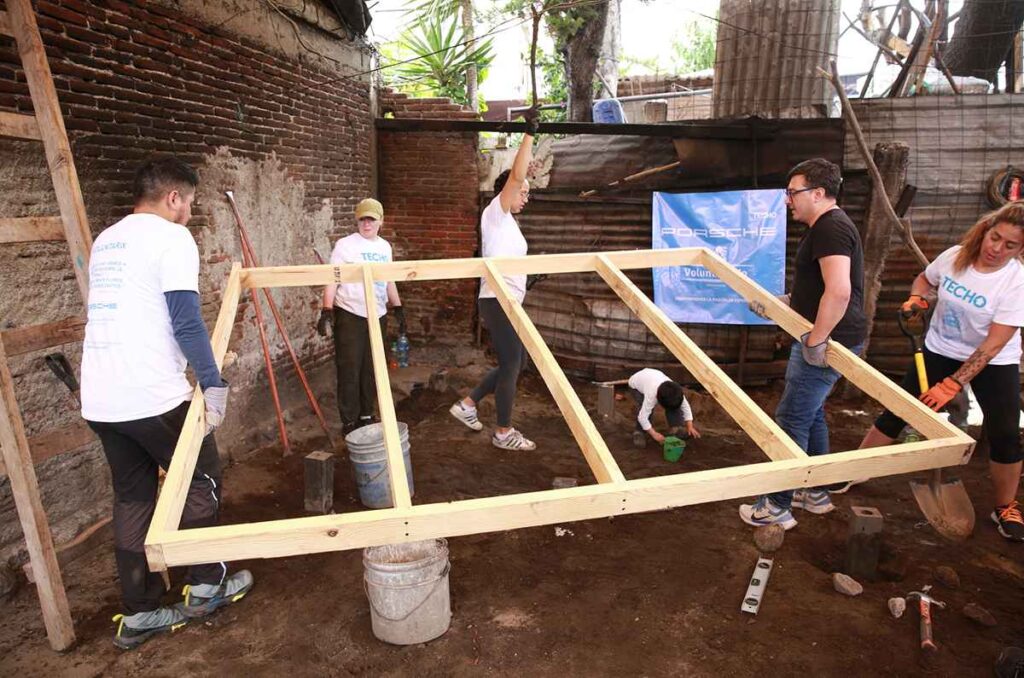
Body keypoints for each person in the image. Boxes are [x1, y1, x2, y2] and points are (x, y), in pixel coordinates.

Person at [81, 157, 253, 650]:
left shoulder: (107, 239)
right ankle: (206, 585)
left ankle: (141, 612)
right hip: (151, 394)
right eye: (190, 203)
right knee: (201, 479)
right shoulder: (172, 238)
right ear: (174, 198)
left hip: (102, 399)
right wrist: (212, 380)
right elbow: (184, 318)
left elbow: (140, 314)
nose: (190, 213)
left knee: (133, 498)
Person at [855, 202, 1024, 541]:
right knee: (899, 411)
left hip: (995, 361)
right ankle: (854, 471)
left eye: (1010, 245)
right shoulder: (956, 256)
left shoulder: (1015, 281)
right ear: (986, 229)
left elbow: (992, 345)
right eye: (995, 237)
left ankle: (1005, 505)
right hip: (939, 349)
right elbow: (924, 279)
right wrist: (917, 298)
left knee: (1005, 432)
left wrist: (952, 385)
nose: (996, 249)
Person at [740, 158, 866, 530]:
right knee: (810, 413)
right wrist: (786, 305)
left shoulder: (831, 229)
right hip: (830, 334)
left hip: (829, 339)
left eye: (793, 193)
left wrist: (817, 339)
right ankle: (813, 492)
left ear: (819, 193)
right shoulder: (828, 228)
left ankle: (776, 505)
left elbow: (840, 293)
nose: (788, 200)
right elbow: (823, 288)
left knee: (791, 417)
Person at [449, 108, 540, 451]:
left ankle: (468, 405)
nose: (526, 197)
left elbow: (505, 260)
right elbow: (517, 176)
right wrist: (529, 133)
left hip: (508, 298)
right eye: (523, 192)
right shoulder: (496, 212)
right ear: (507, 190)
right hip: (498, 299)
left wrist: (525, 280)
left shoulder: (509, 225)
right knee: (513, 364)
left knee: (516, 362)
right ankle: (503, 432)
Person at [317, 198, 405, 436]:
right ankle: (349, 420)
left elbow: (389, 280)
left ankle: (367, 413)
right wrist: (327, 309)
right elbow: (332, 278)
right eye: (363, 219)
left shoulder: (384, 248)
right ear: (357, 221)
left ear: (380, 222)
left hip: (377, 314)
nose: (367, 224)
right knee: (349, 367)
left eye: (371, 219)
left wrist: (398, 308)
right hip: (351, 314)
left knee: (373, 367)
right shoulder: (345, 246)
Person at [628, 368, 700, 445]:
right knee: (646, 409)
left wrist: (690, 426)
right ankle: (639, 432)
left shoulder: (676, 391)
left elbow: (685, 407)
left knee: (674, 406)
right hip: (635, 385)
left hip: (652, 377)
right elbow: (642, 417)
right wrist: (654, 434)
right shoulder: (651, 395)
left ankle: (676, 429)